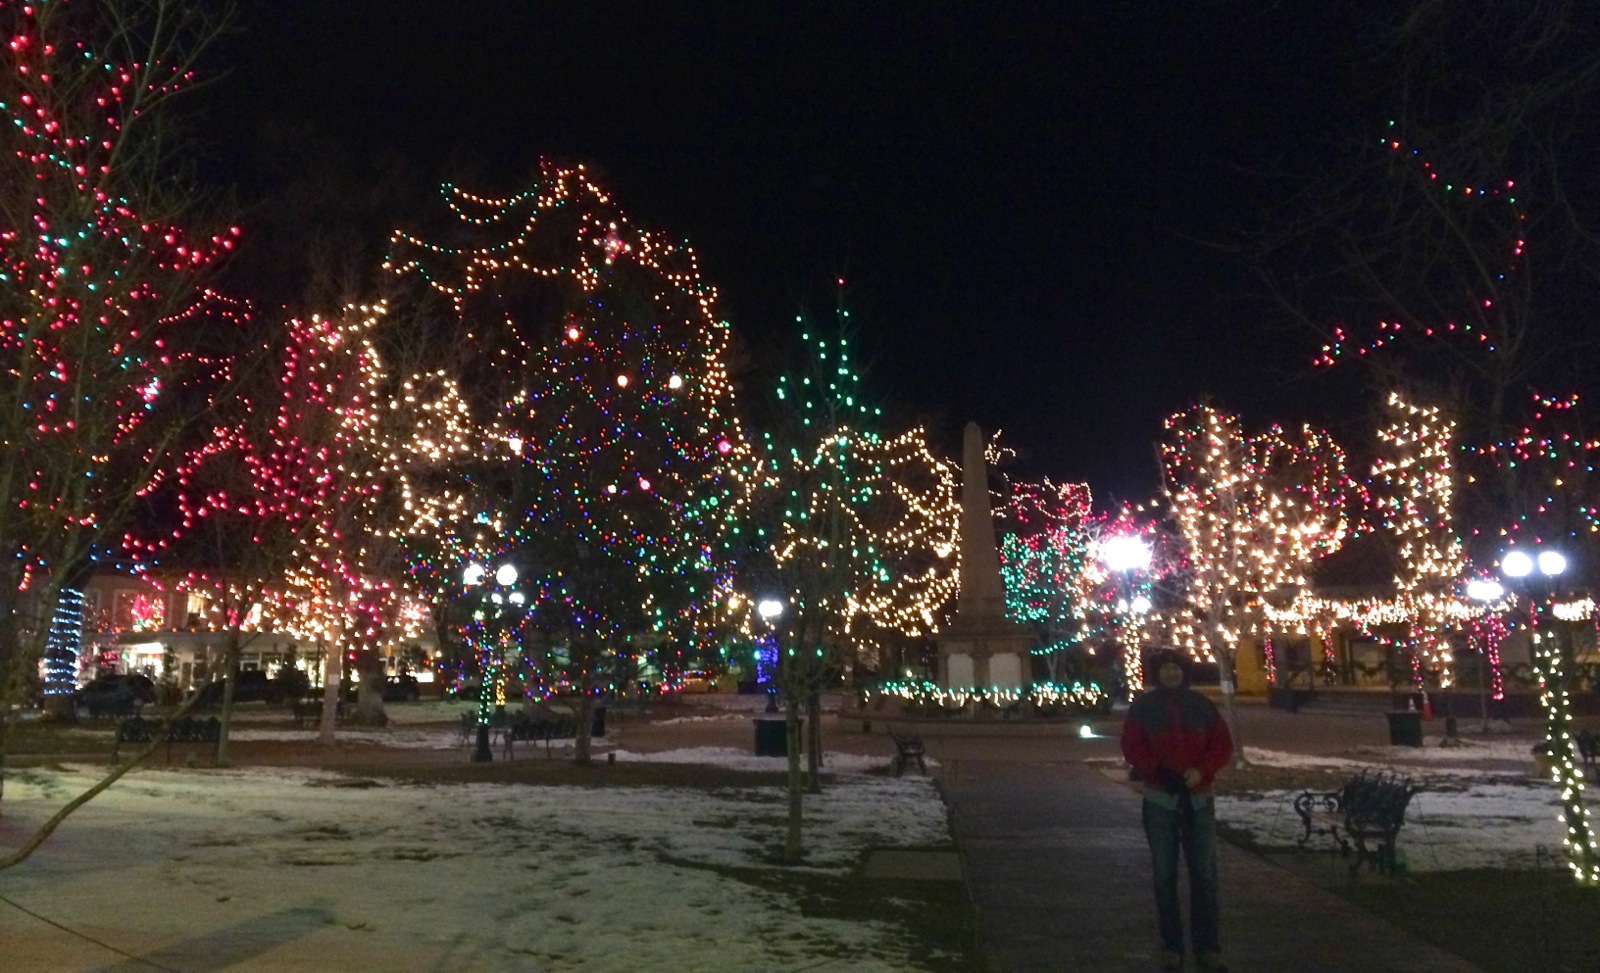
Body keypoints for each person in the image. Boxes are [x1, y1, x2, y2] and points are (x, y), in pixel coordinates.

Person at [1120, 649, 1234, 972]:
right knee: (1164, 876)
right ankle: (1172, 946)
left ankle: (1207, 948)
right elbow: (1132, 745)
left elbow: (1221, 745)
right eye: (1166, 669)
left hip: (1198, 799)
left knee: (1205, 876)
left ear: (1185, 672)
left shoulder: (1201, 706)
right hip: (1160, 800)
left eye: (1176, 668)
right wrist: (1155, 770)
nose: (1171, 674)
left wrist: (1202, 770)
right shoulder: (1144, 707)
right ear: (1158, 673)